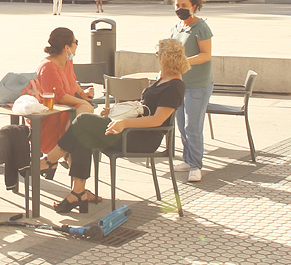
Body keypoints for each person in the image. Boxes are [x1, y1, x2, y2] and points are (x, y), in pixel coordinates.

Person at [50, 38, 187, 213]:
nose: (156, 56)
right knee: (83, 135)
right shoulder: (162, 78)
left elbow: (157, 120)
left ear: (167, 58)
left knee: (84, 121)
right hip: (132, 131)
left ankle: (50, 160)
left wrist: (124, 123)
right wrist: (116, 113)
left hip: (142, 139)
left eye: (158, 54)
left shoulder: (175, 86)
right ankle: (78, 192)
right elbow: (143, 109)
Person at [29, 27, 97, 171]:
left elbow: (72, 81)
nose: (77, 45)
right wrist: (84, 102)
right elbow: (60, 97)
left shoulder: (67, 62)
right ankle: (55, 157)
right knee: (85, 115)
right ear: (67, 47)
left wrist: (82, 92)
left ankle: (75, 188)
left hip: (66, 115)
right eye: (75, 42)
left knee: (81, 136)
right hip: (49, 119)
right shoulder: (48, 67)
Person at [171, 0, 214, 182]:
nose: (180, 9)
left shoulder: (201, 27)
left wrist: (184, 63)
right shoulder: (177, 26)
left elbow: (206, 55)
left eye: (184, 6)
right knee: (181, 123)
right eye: (177, 5)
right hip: (179, 83)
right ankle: (187, 159)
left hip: (198, 83)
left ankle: (196, 165)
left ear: (194, 7)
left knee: (192, 125)